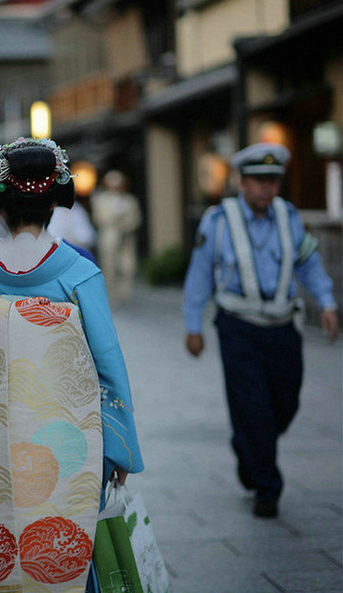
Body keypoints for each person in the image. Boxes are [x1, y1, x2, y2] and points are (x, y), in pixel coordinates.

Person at [0, 139, 143, 592]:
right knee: (64, 543)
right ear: (55, 204)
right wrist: (119, 445)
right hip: (67, 446)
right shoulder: (78, 273)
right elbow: (108, 364)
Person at [183, 142, 339, 519]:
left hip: (284, 326)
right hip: (238, 327)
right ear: (242, 182)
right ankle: (267, 489)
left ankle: (248, 447)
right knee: (254, 407)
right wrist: (193, 325)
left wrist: (327, 301)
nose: (267, 188)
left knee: (285, 404)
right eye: (258, 181)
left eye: (273, 180)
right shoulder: (218, 220)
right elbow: (200, 274)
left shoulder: (288, 216)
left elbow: (308, 262)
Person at [90, 170, 141, 303]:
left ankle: (125, 294)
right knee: (109, 265)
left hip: (126, 238)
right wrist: (115, 217)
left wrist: (126, 225)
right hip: (109, 236)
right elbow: (99, 218)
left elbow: (135, 219)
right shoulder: (102, 199)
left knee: (127, 266)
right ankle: (110, 294)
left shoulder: (129, 200)